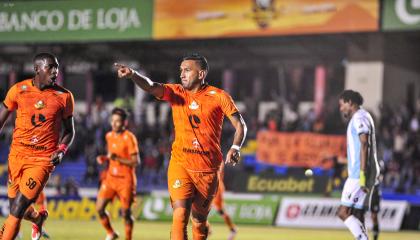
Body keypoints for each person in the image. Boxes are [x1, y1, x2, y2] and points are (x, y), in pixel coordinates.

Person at [115, 53, 247, 240]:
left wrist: (235, 147)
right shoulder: (176, 92)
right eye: (181, 71)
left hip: (208, 168)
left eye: (187, 70)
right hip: (181, 163)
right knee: (179, 214)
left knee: (199, 221)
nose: (182, 74)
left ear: (201, 74)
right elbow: (152, 87)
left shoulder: (219, 96)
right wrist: (133, 75)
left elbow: (240, 124)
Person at [0, 52, 75, 240]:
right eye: (50, 67)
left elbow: (69, 131)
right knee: (15, 208)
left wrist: (61, 150)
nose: (55, 71)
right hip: (17, 156)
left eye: (56, 67)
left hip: (42, 160)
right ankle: (37, 218)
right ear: (37, 69)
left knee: (16, 209)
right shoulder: (18, 90)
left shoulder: (64, 96)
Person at [337, 90, 380, 240]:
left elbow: (364, 144)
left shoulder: (359, 118)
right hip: (365, 172)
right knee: (358, 214)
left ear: (350, 102)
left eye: (342, 105)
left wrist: (362, 174)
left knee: (343, 212)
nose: (341, 108)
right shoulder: (364, 115)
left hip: (359, 173)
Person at [96, 107, 140, 240]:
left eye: (118, 121)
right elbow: (112, 155)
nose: (114, 124)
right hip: (110, 178)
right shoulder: (108, 136)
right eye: (112, 121)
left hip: (125, 181)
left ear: (124, 123)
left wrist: (117, 159)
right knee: (99, 208)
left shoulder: (129, 138)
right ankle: (111, 232)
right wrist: (104, 158)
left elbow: (135, 161)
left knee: (126, 214)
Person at [211, 163, 237, 240]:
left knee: (221, 211)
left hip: (216, 187)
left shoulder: (217, 157)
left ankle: (233, 229)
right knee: (198, 209)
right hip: (207, 186)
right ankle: (207, 229)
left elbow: (218, 171)